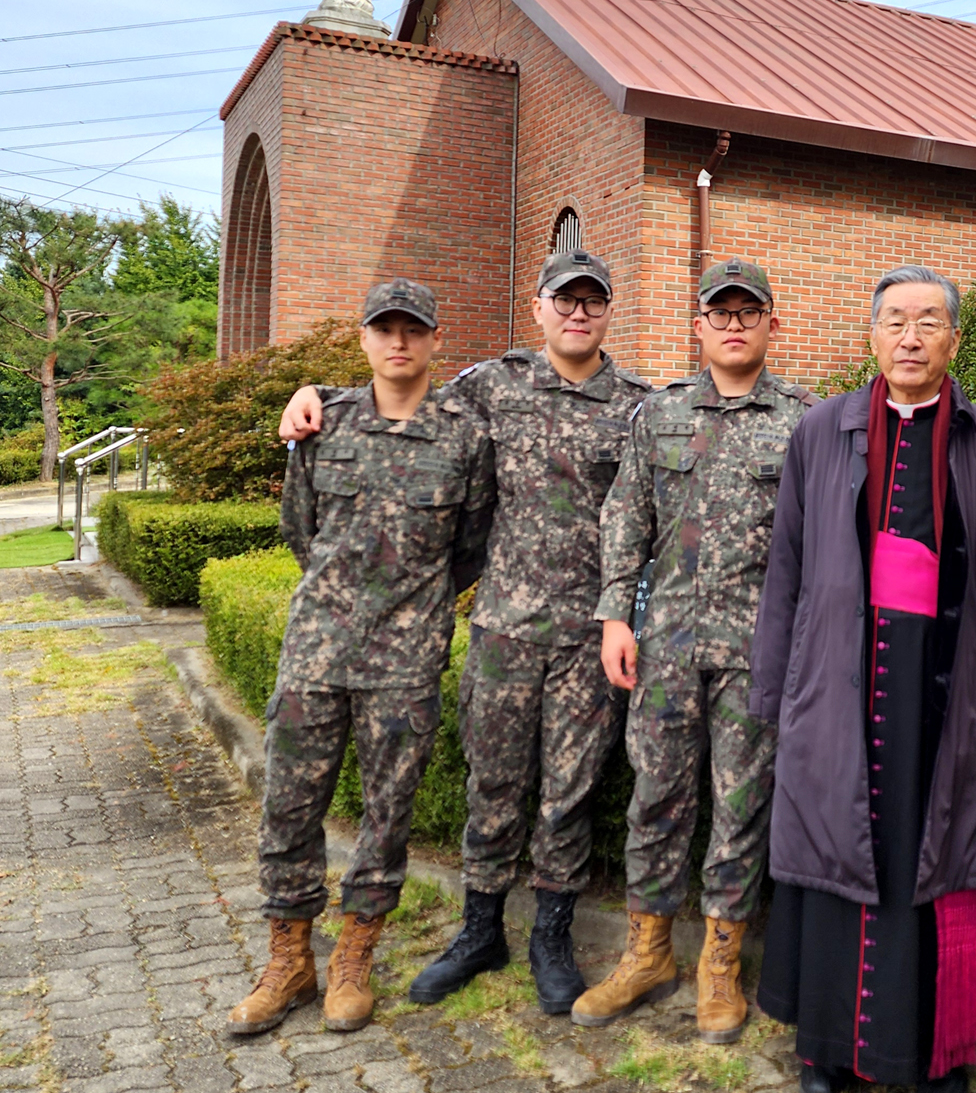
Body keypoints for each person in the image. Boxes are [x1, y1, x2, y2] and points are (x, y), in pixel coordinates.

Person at [277, 248, 651, 1015]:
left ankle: (550, 937)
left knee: (568, 794)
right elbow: (398, 406)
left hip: (589, 633)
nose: (578, 313)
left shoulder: (639, 407)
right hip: (505, 629)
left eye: (593, 301)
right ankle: (479, 931)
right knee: (495, 783)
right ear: (539, 308)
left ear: (610, 312)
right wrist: (307, 396)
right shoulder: (489, 386)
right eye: (564, 299)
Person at [749, 265, 976, 1093]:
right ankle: (828, 1045)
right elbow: (788, 571)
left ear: (956, 340)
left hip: (945, 690)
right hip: (841, 676)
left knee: (941, 853)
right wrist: (778, 687)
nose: (910, 337)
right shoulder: (821, 431)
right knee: (834, 844)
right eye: (894, 322)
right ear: (871, 337)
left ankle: (941, 1055)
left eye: (928, 323)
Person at [229, 279, 486, 1037]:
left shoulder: (464, 438)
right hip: (317, 649)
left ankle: (354, 961)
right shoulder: (322, 425)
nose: (398, 342)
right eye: (385, 329)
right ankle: (289, 959)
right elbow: (299, 529)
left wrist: (410, 609)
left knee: (386, 815)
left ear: (437, 340)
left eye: (414, 329)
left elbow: (466, 549)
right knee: (289, 805)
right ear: (365, 339)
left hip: (404, 661)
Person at [573, 259, 814, 1042]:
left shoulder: (807, 422)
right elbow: (626, 518)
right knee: (657, 799)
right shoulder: (660, 415)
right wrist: (616, 616)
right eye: (722, 312)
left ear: (773, 326)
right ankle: (648, 952)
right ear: (699, 327)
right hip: (668, 646)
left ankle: (719, 961)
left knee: (741, 807)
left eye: (751, 312)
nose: (735, 324)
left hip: (759, 651)